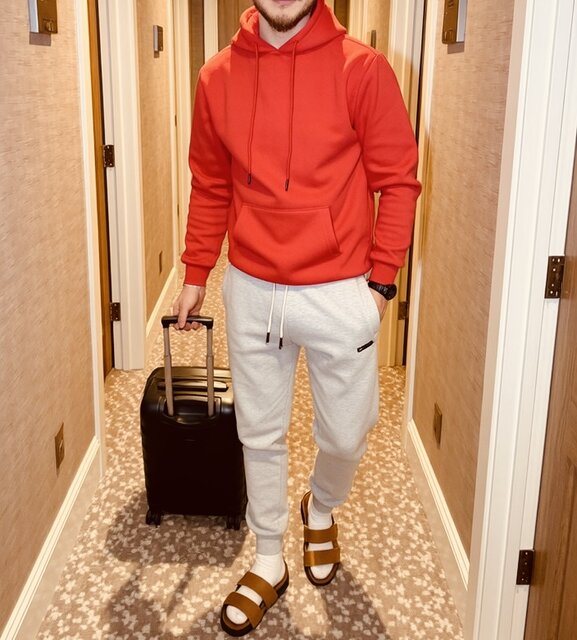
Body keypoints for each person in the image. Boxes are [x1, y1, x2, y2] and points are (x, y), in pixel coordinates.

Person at [173, 0, 420, 635]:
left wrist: (380, 286)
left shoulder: (363, 70)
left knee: (346, 434)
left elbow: (398, 181)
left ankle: (322, 508)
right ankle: (266, 557)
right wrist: (197, 271)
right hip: (253, 286)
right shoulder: (217, 76)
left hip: (340, 291)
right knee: (258, 431)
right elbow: (210, 182)